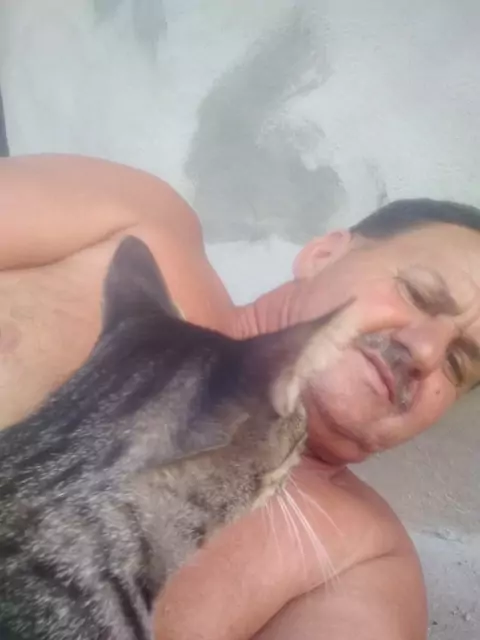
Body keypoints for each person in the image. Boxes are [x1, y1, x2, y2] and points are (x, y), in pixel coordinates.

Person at [1, 154, 480, 640]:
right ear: (324, 254)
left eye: (458, 362)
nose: (426, 351)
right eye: (419, 293)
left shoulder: (368, 562)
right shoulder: (143, 219)